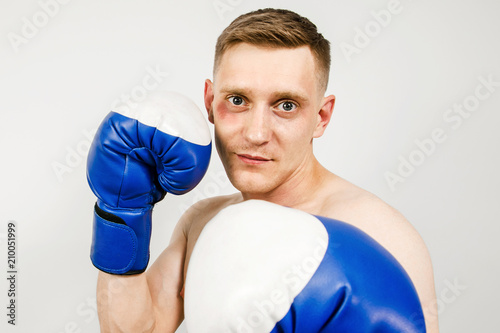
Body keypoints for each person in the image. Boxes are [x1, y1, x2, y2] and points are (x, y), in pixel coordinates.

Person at [89, 8, 439, 333]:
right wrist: (122, 208)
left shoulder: (376, 231)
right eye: (237, 100)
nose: (255, 134)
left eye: (286, 105)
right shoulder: (202, 221)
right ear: (210, 102)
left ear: (321, 117)